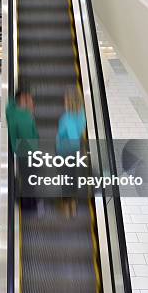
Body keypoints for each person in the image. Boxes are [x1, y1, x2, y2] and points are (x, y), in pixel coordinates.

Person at [55, 87, 86, 217]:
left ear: (70, 101)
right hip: (76, 152)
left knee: (65, 179)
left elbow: (71, 137)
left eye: (66, 99)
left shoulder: (67, 118)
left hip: (65, 152)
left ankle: (67, 208)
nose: (64, 101)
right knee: (73, 178)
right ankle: (73, 204)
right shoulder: (82, 114)